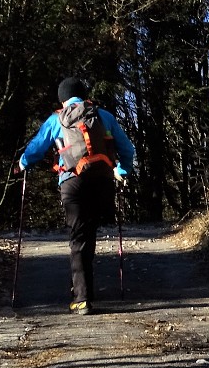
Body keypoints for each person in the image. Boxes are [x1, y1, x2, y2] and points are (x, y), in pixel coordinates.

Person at [15, 78, 135, 314]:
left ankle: (81, 298)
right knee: (88, 235)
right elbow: (127, 149)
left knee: (78, 238)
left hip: (72, 182)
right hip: (101, 181)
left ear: (63, 98)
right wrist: (121, 171)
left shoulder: (56, 119)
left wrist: (22, 163)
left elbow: (37, 148)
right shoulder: (103, 116)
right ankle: (84, 291)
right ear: (84, 95)